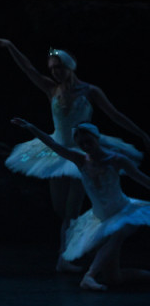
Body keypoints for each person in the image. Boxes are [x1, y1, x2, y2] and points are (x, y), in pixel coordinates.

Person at [0, 39, 148, 272]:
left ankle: (64, 258)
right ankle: (78, 248)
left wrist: (141, 132)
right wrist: (10, 46)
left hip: (83, 154)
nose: (55, 72)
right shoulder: (51, 88)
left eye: (59, 67)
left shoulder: (90, 91)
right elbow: (28, 69)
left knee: (71, 210)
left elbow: (115, 115)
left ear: (70, 66)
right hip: (55, 151)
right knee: (60, 210)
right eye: (52, 68)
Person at [12, 119, 150, 291]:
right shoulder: (80, 160)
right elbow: (54, 145)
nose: (85, 145)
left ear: (97, 139)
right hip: (101, 219)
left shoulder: (117, 160)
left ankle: (89, 276)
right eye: (81, 143)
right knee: (113, 278)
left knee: (120, 231)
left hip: (123, 210)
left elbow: (143, 180)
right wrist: (32, 128)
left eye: (88, 141)